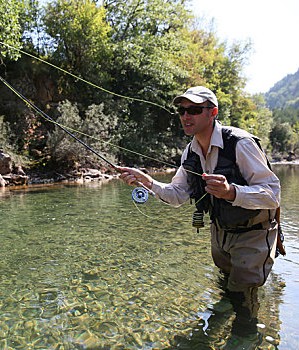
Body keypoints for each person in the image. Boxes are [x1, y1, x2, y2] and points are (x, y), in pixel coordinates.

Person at [119, 86, 281, 343]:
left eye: (194, 110)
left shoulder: (241, 143)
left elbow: (272, 193)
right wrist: (147, 182)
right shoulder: (190, 152)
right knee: (227, 285)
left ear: (212, 113)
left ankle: (247, 336)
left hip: (253, 232)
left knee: (243, 300)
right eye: (182, 110)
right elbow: (177, 195)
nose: (186, 116)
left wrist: (231, 192)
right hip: (220, 233)